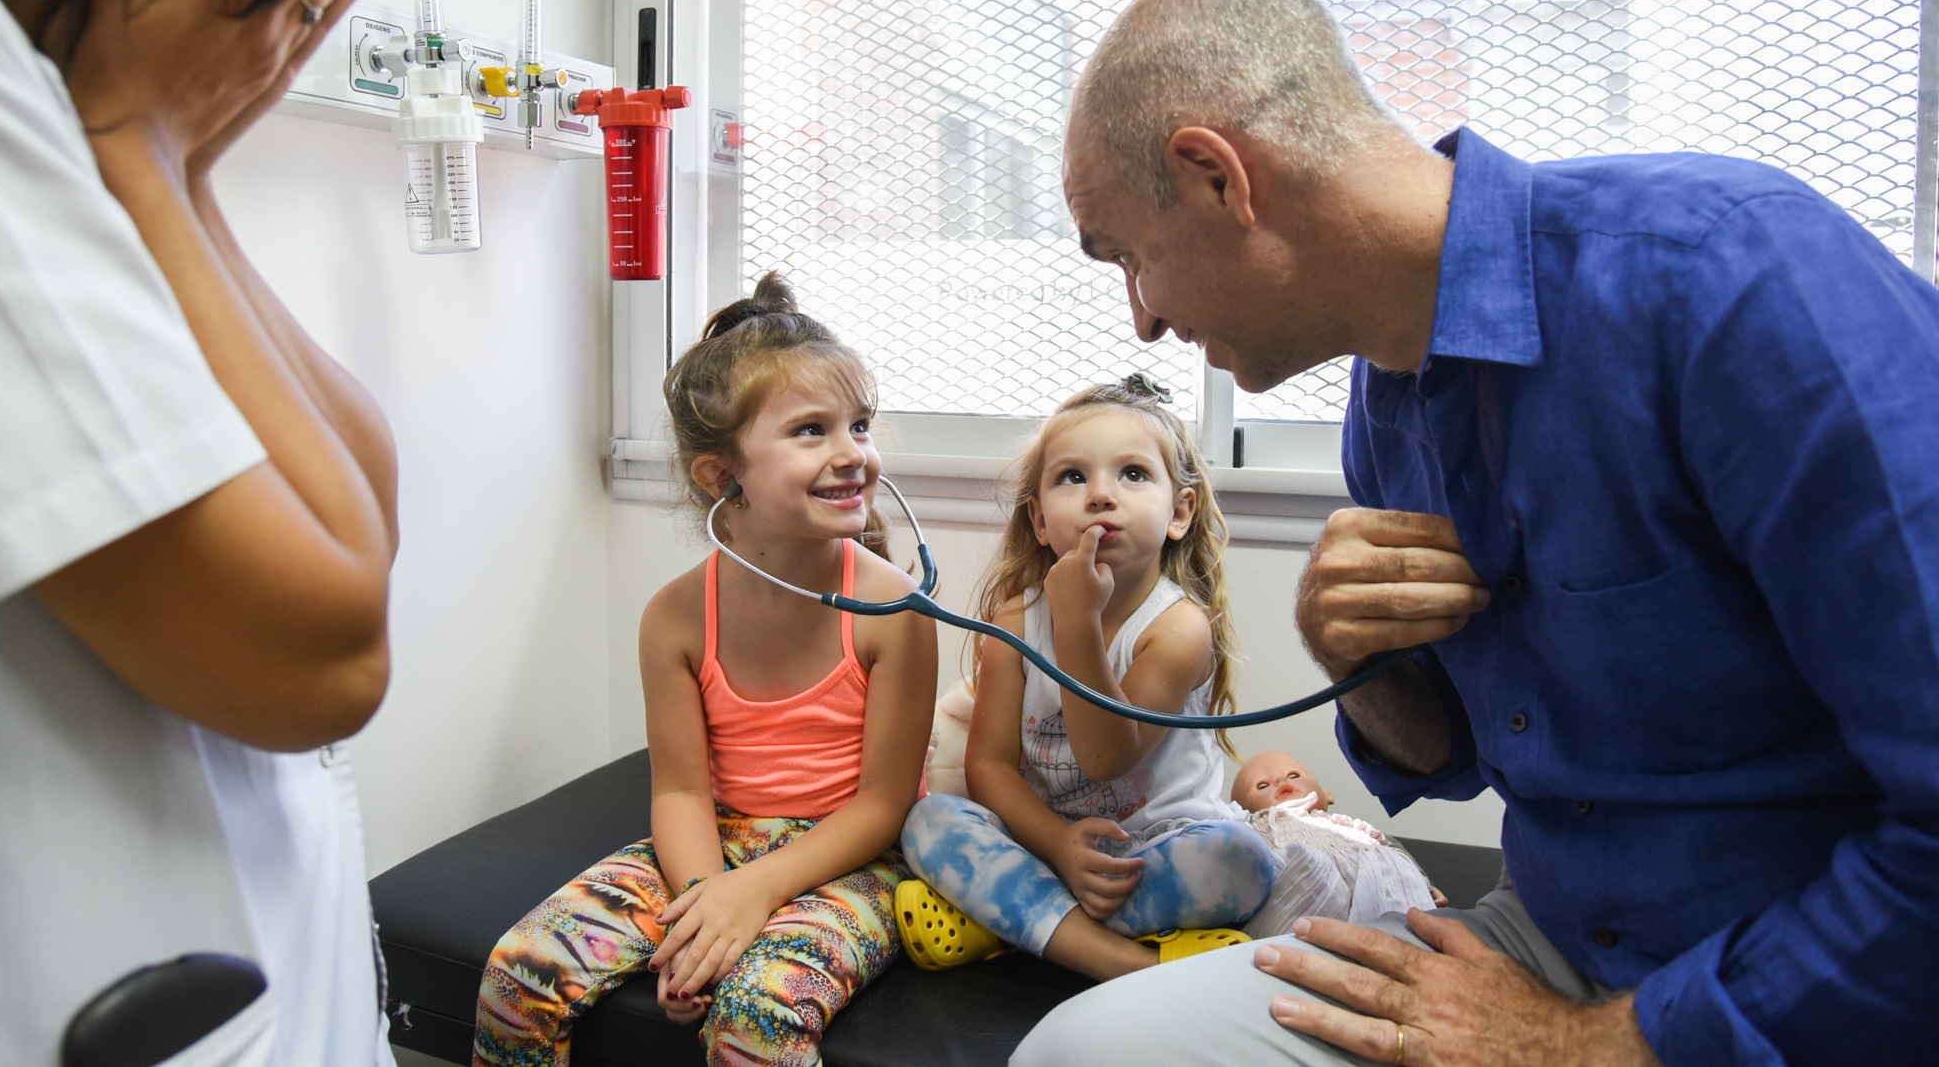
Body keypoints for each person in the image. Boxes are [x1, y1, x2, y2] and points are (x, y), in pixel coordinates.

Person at [1012, 0, 1939, 1066]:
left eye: (1127, 256)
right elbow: (1445, 756)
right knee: (1076, 1056)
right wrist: (1357, 653)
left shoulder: (1721, 277)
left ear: (1216, 177)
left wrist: (1592, 1045)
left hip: (1795, 967)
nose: (1144, 320)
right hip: (1542, 935)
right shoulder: (1386, 408)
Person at [0, 0, 422, 1063]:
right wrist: (137, 143)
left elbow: (363, 490)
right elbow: (326, 647)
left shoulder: (31, 71)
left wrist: (177, 166)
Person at [472, 274, 936, 1067]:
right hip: (713, 836)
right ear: (723, 479)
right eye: (812, 430)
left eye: (858, 424)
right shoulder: (676, 618)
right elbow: (682, 789)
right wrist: (700, 905)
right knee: (518, 977)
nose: (851, 452)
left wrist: (752, 892)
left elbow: (886, 803)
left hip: (856, 855)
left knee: (754, 1017)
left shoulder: (897, 609)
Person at [897, 376, 1273, 981]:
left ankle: (1014, 922)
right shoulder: (1016, 619)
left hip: (1155, 849)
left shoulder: (1178, 628)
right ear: (1040, 520)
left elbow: (1104, 757)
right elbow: (989, 766)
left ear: (1180, 512)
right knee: (929, 820)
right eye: (1073, 477)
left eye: (1132, 474)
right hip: (1048, 846)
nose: (1101, 495)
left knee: (1242, 860)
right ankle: (1126, 961)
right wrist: (1056, 845)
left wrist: (1077, 622)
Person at [1231, 752, 1445, 939]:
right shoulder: (1257, 830)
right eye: (1262, 785)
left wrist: (1426, 886)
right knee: (1302, 869)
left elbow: (1393, 851)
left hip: (1372, 878)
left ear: (1326, 794)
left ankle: (1412, 926)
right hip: (1303, 883)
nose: (1279, 780)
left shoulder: (1352, 829)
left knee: (1388, 861)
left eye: (1293, 775)